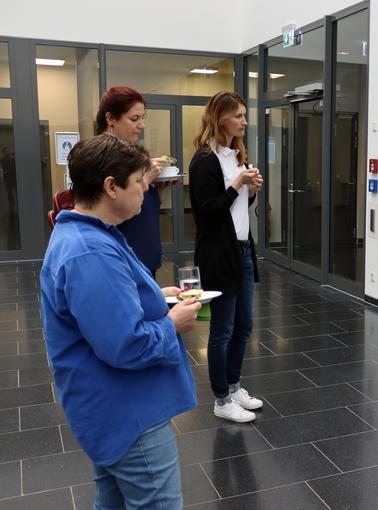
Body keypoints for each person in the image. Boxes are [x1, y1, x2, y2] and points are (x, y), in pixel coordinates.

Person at [40, 134, 201, 509]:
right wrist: (172, 323)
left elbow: (104, 308)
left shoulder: (87, 236)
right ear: (111, 187)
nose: (145, 194)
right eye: (139, 185)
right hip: (129, 414)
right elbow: (125, 345)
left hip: (109, 409)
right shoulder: (90, 250)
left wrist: (157, 298)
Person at [189, 91, 264, 423]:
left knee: (244, 326)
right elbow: (207, 214)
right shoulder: (204, 160)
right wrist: (237, 184)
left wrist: (250, 190)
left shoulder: (237, 156)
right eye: (239, 116)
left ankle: (234, 387)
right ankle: (221, 399)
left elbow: (235, 210)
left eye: (245, 115)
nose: (244, 121)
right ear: (221, 118)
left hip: (243, 251)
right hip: (218, 255)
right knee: (223, 329)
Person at [96, 86, 172, 278]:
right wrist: (146, 179)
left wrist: (158, 187)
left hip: (145, 254)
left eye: (143, 118)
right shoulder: (99, 156)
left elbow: (143, 206)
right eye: (134, 119)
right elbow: (107, 210)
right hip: (123, 257)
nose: (141, 125)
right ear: (110, 118)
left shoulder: (130, 153)